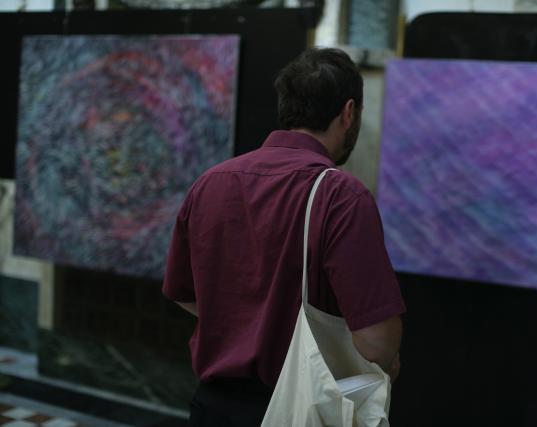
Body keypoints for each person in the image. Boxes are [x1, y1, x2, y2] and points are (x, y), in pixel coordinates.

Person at [162, 47, 406, 427]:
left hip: (211, 407)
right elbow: (376, 342)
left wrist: (245, 322)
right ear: (348, 113)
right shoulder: (340, 196)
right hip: (299, 408)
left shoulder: (210, 183)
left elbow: (183, 291)